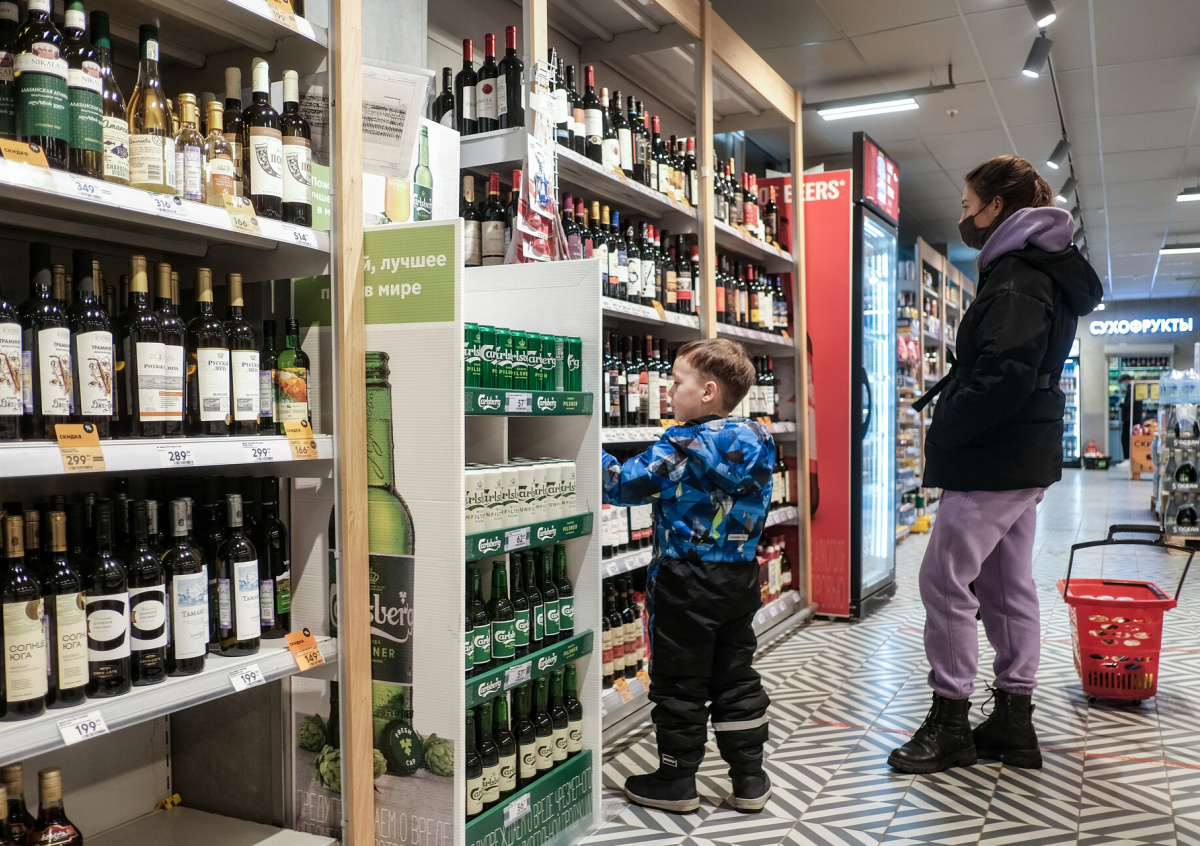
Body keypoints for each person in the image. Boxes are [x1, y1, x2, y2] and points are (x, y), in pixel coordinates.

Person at [890, 155, 1103, 774]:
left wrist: (947, 427)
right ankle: (1013, 721)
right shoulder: (1042, 268)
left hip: (993, 456)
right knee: (1006, 585)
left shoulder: (1014, 278)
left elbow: (1002, 377)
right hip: (1023, 454)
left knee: (943, 581)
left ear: (997, 208)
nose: (964, 216)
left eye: (967, 206)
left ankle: (950, 721)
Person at [602, 338, 775, 812]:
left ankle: (676, 780)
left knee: (681, 680)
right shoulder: (760, 439)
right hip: (740, 576)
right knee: (735, 676)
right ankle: (749, 777)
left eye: (677, 382)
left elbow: (620, 486)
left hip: (685, 581)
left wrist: (589, 447)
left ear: (708, 391)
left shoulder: (681, 445)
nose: (668, 391)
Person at [1119, 373, 1132, 461]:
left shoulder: (1131, 390)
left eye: (1123, 382)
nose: (1123, 385)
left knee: (1125, 440)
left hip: (1129, 420)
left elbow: (1129, 405)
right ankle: (1127, 459)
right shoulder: (1131, 389)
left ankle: (1127, 459)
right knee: (1125, 439)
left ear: (1126, 380)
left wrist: (1121, 404)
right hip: (1129, 419)